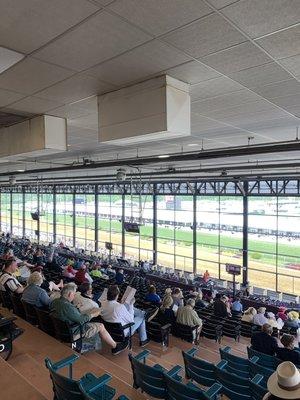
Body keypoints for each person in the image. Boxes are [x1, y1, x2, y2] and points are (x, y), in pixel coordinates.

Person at [50, 283, 127, 355]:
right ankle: (115, 346)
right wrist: (93, 314)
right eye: (73, 294)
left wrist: (76, 308)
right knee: (101, 326)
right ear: (70, 294)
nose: (74, 296)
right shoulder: (68, 307)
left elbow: (67, 313)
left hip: (61, 330)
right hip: (74, 331)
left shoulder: (55, 301)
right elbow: (81, 320)